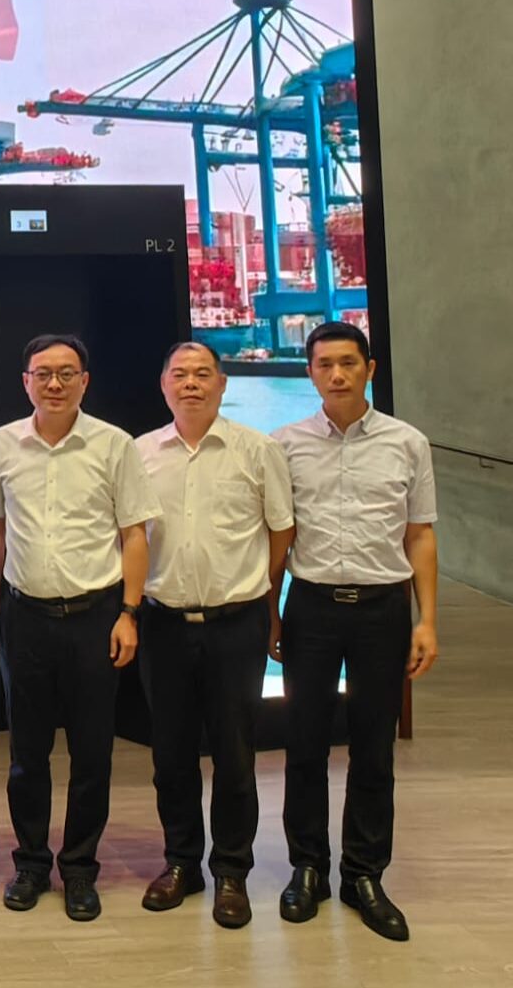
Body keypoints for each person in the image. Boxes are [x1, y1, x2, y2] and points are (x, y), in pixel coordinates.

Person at [0, 333, 159, 922]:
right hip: (25, 616)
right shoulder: (2, 444)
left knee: (91, 755)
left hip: (96, 618)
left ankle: (79, 869)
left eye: (66, 372)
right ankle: (30, 863)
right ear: (25, 381)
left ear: (85, 380)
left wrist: (129, 614)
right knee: (26, 754)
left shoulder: (114, 445)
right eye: (42, 373)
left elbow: (135, 533)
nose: (54, 383)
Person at [272, 321, 439, 943]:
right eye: (323, 364)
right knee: (305, 744)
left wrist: (427, 620)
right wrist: (271, 610)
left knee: (374, 746)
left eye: (348, 362)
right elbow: (277, 536)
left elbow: (420, 533)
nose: (336, 374)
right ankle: (307, 868)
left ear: (370, 368)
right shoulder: (283, 444)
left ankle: (365, 873)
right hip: (311, 606)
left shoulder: (407, 443)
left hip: (382, 611)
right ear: (309, 372)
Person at [134, 342, 295, 928]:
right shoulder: (140, 453)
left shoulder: (258, 450)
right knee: (171, 754)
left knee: (234, 752)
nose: (192, 384)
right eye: (181, 374)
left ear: (223, 385)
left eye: (204, 374)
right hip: (164, 622)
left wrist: (266, 597)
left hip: (237, 623)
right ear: (164, 385)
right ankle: (181, 863)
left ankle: (232, 871)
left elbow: (281, 530)